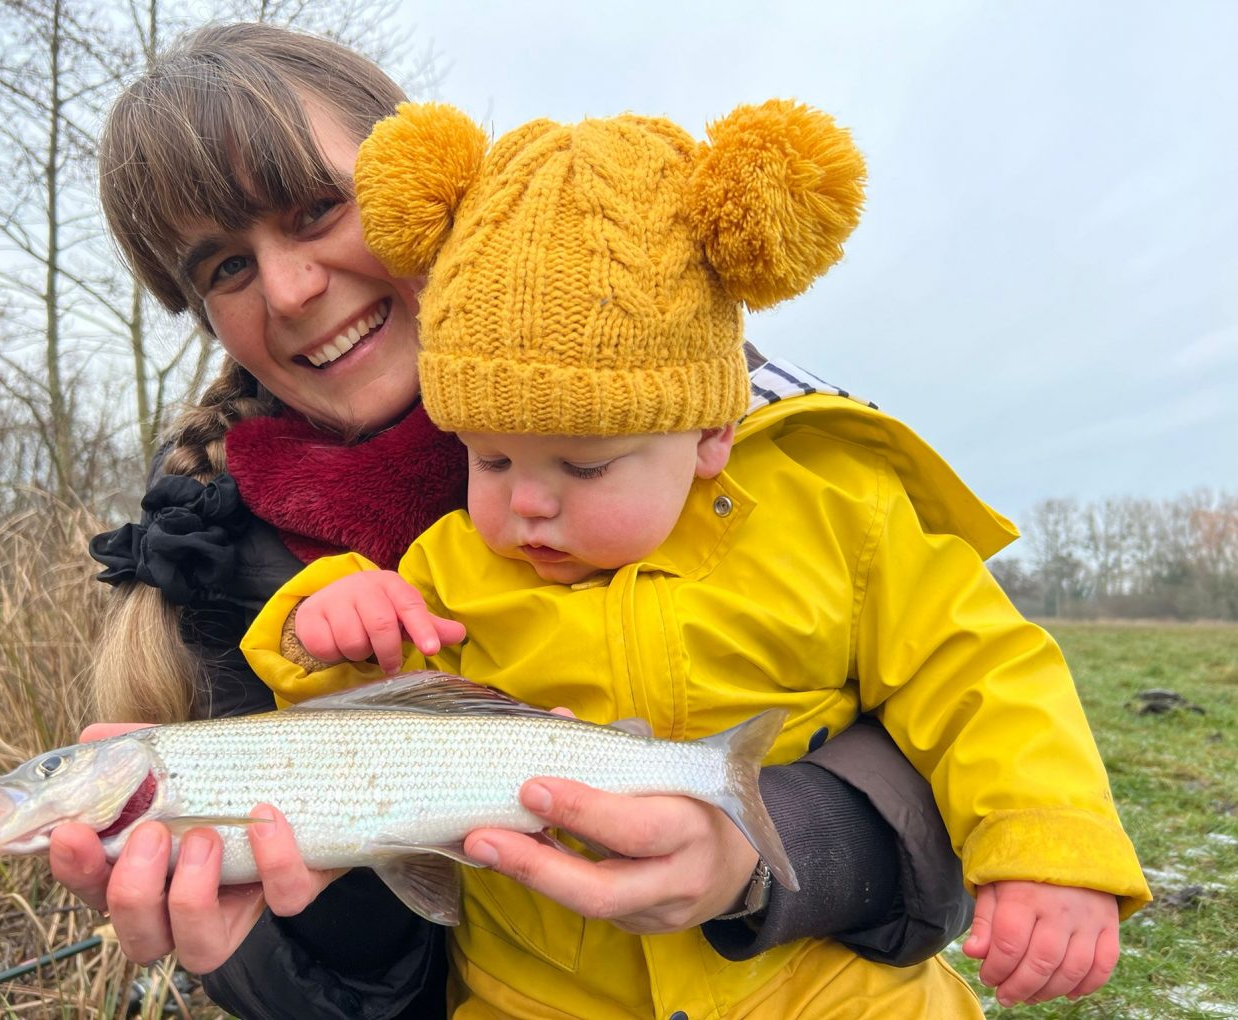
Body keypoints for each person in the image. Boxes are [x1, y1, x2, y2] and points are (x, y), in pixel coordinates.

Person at [51, 22, 1000, 1020]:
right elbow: (383, 989)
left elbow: (982, 727)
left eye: (320, 209)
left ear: (433, 193)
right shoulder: (217, 583)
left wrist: (762, 855)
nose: (288, 290)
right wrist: (290, 948)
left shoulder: (724, 426)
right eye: (223, 269)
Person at [240, 100, 1151, 1018]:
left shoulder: (836, 521)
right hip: (540, 997)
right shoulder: (452, 565)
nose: (525, 503)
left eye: (585, 463)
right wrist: (325, 628)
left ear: (713, 430)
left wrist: (1049, 847)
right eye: (489, 457)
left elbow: (983, 672)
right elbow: (370, 733)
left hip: (824, 990)